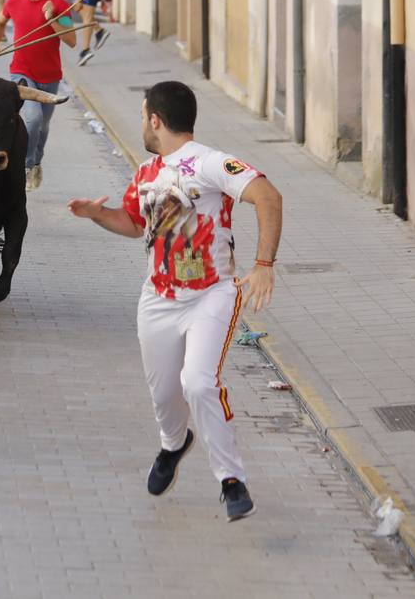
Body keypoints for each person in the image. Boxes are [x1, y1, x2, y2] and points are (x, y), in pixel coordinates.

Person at [66, 81, 283, 521]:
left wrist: (263, 264)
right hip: (158, 299)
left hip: (213, 295)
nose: (141, 123)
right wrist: (97, 215)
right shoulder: (146, 172)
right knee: (165, 394)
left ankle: (232, 481)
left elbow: (267, 195)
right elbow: (132, 223)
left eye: (143, 115)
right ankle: (173, 444)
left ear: (155, 119)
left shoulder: (210, 163)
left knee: (198, 383)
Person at [0, 0, 77, 191]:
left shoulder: (58, 4)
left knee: (43, 126)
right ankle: (26, 167)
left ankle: (37, 162)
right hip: (21, 72)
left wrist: (52, 19)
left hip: (50, 76)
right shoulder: (14, 1)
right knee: (33, 119)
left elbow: (71, 40)